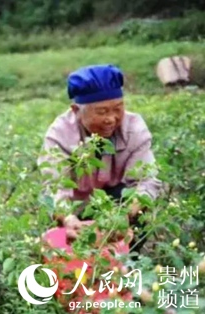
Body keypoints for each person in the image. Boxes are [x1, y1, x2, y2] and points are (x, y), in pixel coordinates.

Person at [37, 64, 163, 254]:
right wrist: (69, 220)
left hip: (114, 203)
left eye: (118, 109)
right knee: (59, 237)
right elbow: (55, 187)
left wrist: (123, 217)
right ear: (75, 110)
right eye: (102, 112)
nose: (111, 119)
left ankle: (129, 264)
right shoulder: (59, 134)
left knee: (139, 207)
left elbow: (146, 181)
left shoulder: (134, 128)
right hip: (75, 205)